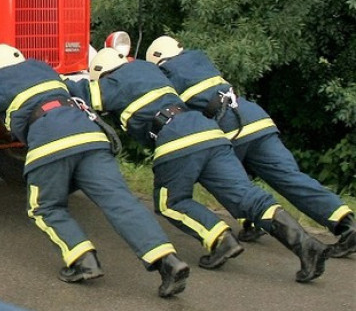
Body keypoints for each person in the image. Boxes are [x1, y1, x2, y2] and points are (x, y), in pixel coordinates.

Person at [0, 44, 191, 298]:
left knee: (44, 207)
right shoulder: (45, 71)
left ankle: (82, 260)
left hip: (51, 142)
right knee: (121, 202)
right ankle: (167, 261)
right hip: (91, 138)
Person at [69, 48, 328, 283]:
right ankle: (306, 246)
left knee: (170, 202)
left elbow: (77, 92)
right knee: (247, 196)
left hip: (175, 139)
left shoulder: (111, 83)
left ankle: (219, 239)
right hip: (211, 132)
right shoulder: (151, 70)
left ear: (101, 74)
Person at [146, 35, 355, 258]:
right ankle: (346, 224)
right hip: (256, 119)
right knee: (291, 178)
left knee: (229, 183)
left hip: (227, 126)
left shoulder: (166, 73)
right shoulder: (199, 58)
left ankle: (252, 223)